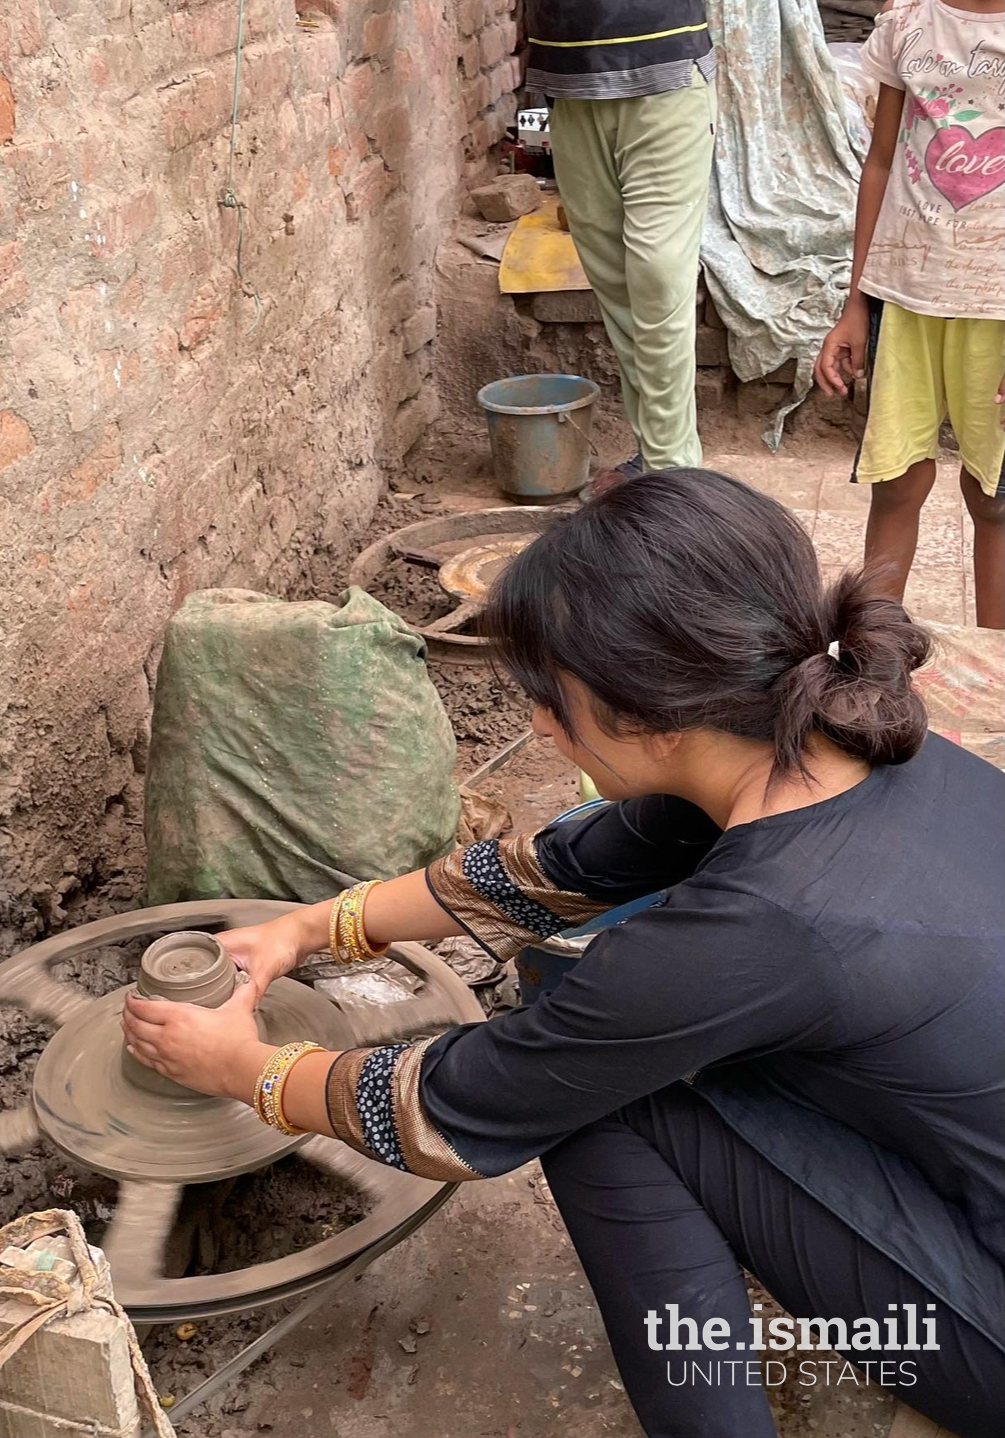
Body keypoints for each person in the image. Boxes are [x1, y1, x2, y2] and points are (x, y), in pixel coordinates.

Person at [123, 472, 1005, 1438]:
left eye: (553, 699)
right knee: (590, 997)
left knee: (603, 1104)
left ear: (655, 716)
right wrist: (311, 925)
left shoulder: (762, 924)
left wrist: (243, 1070)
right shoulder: (843, 741)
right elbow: (546, 871)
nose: (538, 724)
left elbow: (459, 1109)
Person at [814, 0, 1005, 629]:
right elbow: (880, 164)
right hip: (906, 298)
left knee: (996, 500)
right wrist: (855, 303)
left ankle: (997, 688)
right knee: (895, 484)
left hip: (997, 313)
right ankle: (873, 665)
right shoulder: (907, 24)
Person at [526, 2, 718, 479]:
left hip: (667, 75)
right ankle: (658, 456)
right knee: (617, 287)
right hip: (572, 87)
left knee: (657, 275)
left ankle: (673, 475)